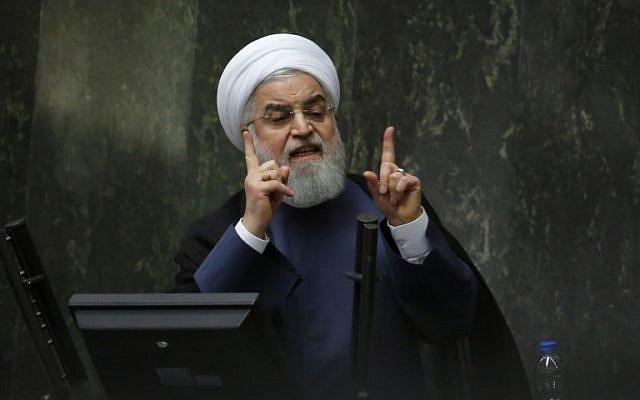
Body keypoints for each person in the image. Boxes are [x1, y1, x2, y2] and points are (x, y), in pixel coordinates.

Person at [174, 33, 531, 400]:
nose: (303, 129)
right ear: (248, 137)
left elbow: (454, 321)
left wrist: (409, 230)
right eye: (280, 117)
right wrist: (251, 232)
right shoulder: (216, 235)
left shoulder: (387, 204)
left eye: (316, 112)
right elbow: (190, 356)